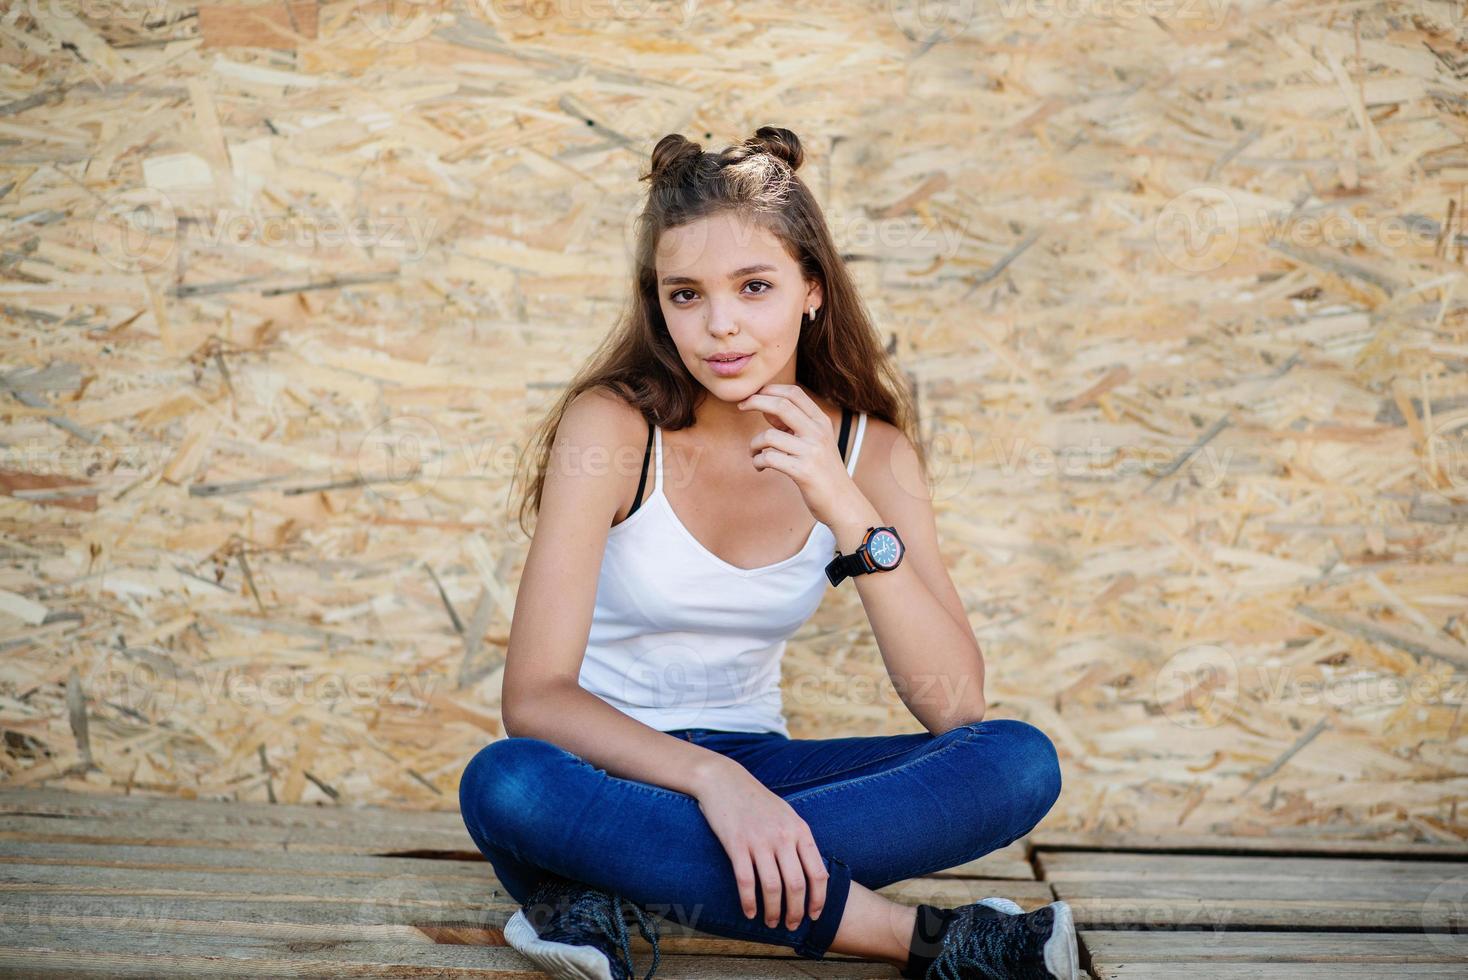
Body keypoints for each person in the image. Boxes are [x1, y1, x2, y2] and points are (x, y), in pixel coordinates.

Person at [457, 126, 1074, 980]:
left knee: (1017, 763)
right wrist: (718, 786)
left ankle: (609, 882)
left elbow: (957, 705)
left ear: (813, 289)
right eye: (686, 295)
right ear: (658, 303)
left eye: (754, 286)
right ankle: (921, 939)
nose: (720, 327)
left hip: (771, 771)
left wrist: (845, 506)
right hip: (602, 767)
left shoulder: (873, 452)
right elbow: (535, 697)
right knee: (510, 784)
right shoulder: (612, 427)